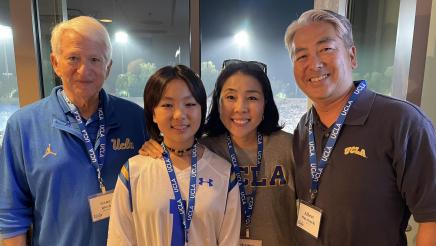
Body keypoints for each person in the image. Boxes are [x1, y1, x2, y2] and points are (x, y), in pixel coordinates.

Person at [284, 9, 436, 245]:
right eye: (301, 56)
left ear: (352, 56)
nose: (314, 64)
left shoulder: (402, 121)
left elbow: (432, 218)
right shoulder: (304, 128)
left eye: (326, 49)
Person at [0, 16, 147, 246]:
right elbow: (11, 215)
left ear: (108, 67)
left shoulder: (135, 119)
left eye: (95, 59)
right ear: (55, 63)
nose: (84, 70)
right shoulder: (23, 126)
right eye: (73, 58)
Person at [140, 60, 297, 245]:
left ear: (266, 103)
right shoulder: (204, 149)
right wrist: (156, 145)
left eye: (252, 98)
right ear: (217, 102)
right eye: (231, 97)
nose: (240, 108)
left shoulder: (289, 147)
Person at [107, 65, 241, 245]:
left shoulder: (223, 173)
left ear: (201, 109)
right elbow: (120, 239)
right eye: (167, 105)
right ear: (153, 113)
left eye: (190, 104)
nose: (179, 114)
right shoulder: (133, 171)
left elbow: (229, 241)